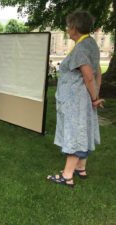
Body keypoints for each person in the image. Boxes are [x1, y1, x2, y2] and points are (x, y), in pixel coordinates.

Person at [47, 11, 105, 187]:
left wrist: (94, 98)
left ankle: (67, 175)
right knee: (83, 130)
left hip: (76, 101)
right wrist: (94, 95)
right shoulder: (91, 43)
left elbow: (88, 76)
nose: (67, 29)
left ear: (74, 27)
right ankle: (81, 167)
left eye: (68, 26)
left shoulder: (80, 48)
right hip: (82, 99)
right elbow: (98, 73)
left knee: (74, 134)